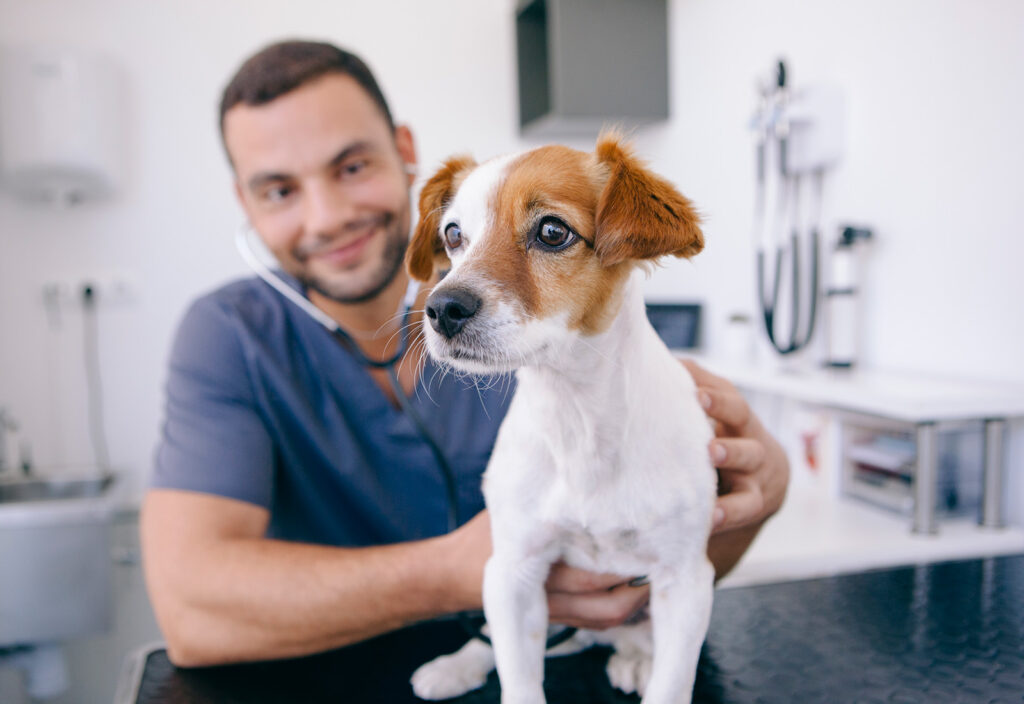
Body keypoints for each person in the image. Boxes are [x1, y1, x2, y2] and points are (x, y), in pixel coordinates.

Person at [140, 40, 789, 671]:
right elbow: (192, 617)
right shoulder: (228, 335)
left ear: (404, 153)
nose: (327, 215)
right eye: (278, 190)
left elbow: (662, 571)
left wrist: (764, 488)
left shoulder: (579, 338)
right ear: (245, 204)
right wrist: (461, 569)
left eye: (352, 166)